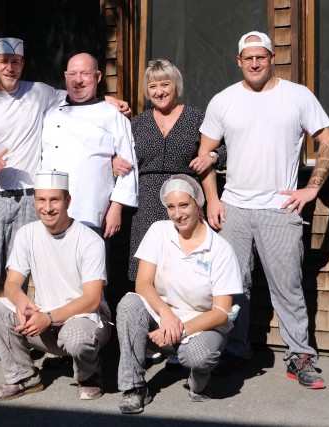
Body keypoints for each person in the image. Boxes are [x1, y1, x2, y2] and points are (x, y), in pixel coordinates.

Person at [0, 39, 129, 375]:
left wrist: (110, 100)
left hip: (32, 195)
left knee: (33, 275)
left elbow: (78, 94)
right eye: (3, 61)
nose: (10, 67)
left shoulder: (41, 93)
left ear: (23, 63)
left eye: (16, 61)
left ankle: (23, 341)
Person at [192, 31, 329, 389]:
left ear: (273, 58)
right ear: (238, 60)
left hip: (280, 207)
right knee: (233, 286)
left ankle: (300, 357)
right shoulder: (223, 100)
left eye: (262, 56)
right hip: (234, 209)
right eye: (248, 58)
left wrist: (312, 188)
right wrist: (212, 199)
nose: (255, 63)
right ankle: (236, 352)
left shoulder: (297, 96)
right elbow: (204, 155)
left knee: (288, 285)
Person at [123, 58, 226, 368]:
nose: (159, 90)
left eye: (165, 84)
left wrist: (211, 158)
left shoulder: (197, 117)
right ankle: (148, 340)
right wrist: (115, 163)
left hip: (184, 204)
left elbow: (222, 151)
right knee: (144, 273)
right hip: (146, 205)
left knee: (185, 272)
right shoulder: (137, 123)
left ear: (176, 86)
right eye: (152, 86)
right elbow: (118, 153)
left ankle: (185, 337)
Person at [116, 174, 242, 414]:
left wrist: (180, 329)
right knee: (128, 304)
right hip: (162, 316)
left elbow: (222, 312)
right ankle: (134, 387)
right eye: (171, 207)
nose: (177, 214)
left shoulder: (220, 250)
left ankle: (199, 384)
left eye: (184, 205)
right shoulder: (158, 231)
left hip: (201, 324)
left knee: (200, 356)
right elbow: (142, 284)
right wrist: (166, 315)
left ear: (198, 203)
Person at [0, 170, 111, 401]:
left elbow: (92, 300)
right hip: (43, 319)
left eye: (54, 200)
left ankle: (89, 377)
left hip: (84, 320)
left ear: (68, 201)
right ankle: (24, 377)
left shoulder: (89, 239)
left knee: (75, 336)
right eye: (41, 200)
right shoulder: (26, 234)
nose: (48, 207)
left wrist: (49, 318)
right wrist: (24, 304)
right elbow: (12, 284)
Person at [41, 53, 138, 238]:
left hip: (92, 212)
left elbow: (129, 167)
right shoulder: (50, 114)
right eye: (73, 74)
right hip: (50, 213)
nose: (78, 80)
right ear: (65, 77)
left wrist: (116, 208)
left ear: (98, 76)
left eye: (85, 73)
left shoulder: (113, 115)